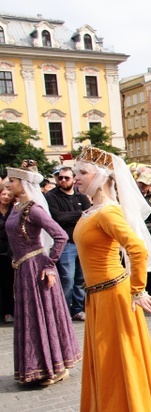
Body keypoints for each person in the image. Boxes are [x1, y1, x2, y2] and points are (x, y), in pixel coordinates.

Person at [72, 146, 151, 412]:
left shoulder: (108, 211)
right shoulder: (91, 211)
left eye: (82, 173)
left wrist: (138, 289)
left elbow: (137, 248)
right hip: (98, 297)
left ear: (102, 177)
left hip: (115, 297)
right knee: (107, 362)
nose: (76, 179)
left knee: (118, 362)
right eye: (75, 173)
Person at [5, 160, 81, 386]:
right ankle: (36, 366)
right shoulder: (17, 207)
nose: (9, 185)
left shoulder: (34, 209)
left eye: (13, 181)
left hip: (36, 269)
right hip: (22, 268)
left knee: (41, 316)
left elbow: (60, 235)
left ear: (24, 184)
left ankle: (52, 367)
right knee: (30, 318)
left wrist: (50, 264)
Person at [45, 165, 90, 321]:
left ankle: (78, 309)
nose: (62, 180)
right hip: (65, 244)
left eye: (66, 178)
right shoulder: (52, 196)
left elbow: (89, 215)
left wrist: (74, 215)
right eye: (60, 177)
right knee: (67, 279)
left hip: (82, 243)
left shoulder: (81, 197)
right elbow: (57, 217)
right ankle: (63, 310)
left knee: (81, 278)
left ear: (73, 179)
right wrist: (79, 214)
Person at [0, 182, 15, 323]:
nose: (5, 197)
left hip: (8, 253)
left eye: (9, 195)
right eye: (3, 194)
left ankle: (8, 312)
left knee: (8, 285)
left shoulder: (14, 211)